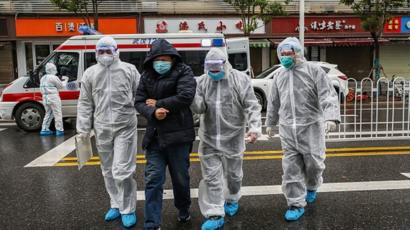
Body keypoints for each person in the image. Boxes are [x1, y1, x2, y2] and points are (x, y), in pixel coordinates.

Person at [265, 37, 340, 221]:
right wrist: (270, 123)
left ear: (298, 53)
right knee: (290, 169)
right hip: (288, 129)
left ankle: (312, 186)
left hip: (311, 127)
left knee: (314, 164)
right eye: (282, 54)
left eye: (288, 53)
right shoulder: (279, 75)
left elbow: (327, 94)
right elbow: (274, 102)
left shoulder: (313, 71)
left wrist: (331, 117)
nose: (285, 57)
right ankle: (295, 203)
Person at [191, 48, 262, 230]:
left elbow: (252, 105)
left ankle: (232, 197)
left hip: (233, 137)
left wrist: (254, 128)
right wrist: (191, 96)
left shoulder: (240, 79)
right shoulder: (201, 82)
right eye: (210, 68)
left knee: (233, 176)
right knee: (211, 177)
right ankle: (215, 213)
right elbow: (198, 109)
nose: (214, 72)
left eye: (217, 67)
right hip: (209, 138)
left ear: (225, 63)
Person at [76, 36, 140, 228]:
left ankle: (127, 208)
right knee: (108, 170)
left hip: (125, 126)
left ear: (116, 51)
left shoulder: (129, 70)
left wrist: (138, 110)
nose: (104, 55)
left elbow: (141, 93)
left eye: (108, 51)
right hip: (102, 127)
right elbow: (85, 103)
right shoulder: (90, 73)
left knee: (122, 169)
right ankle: (115, 203)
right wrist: (83, 129)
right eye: (101, 51)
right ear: (96, 53)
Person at [134, 38, 196, 230]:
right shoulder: (146, 75)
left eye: (166, 58)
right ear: (151, 59)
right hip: (155, 137)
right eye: (158, 59)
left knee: (180, 179)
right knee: (153, 180)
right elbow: (139, 101)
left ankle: (183, 210)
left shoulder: (184, 71)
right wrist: (152, 112)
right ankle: (152, 224)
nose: (162, 62)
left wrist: (159, 104)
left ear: (173, 58)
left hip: (179, 137)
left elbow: (186, 96)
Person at [39, 62, 67, 136]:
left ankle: (44, 129)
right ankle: (59, 130)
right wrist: (65, 80)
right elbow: (61, 86)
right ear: (53, 69)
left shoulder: (43, 78)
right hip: (53, 97)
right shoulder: (53, 77)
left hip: (45, 97)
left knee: (48, 113)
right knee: (57, 114)